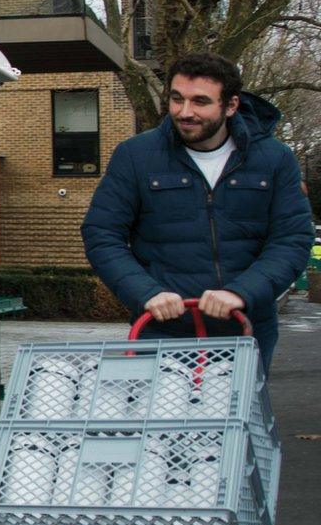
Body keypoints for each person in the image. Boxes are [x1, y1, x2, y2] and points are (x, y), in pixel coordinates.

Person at [82, 53, 314, 372]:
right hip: (162, 330)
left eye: (200, 101)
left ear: (230, 105)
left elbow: (292, 239)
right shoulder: (135, 156)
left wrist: (240, 293)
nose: (185, 112)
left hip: (246, 328)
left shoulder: (274, 159)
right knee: (165, 422)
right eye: (177, 99)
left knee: (237, 421)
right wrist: (147, 293)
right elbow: (102, 235)